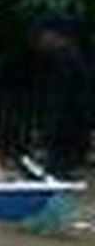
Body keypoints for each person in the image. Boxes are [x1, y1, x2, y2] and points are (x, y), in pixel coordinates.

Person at [33, 15, 92, 179]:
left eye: (43, 36)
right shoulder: (69, 59)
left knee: (58, 177)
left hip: (66, 134)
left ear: (55, 36)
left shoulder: (67, 62)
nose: (40, 42)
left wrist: (48, 133)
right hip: (69, 132)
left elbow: (62, 102)